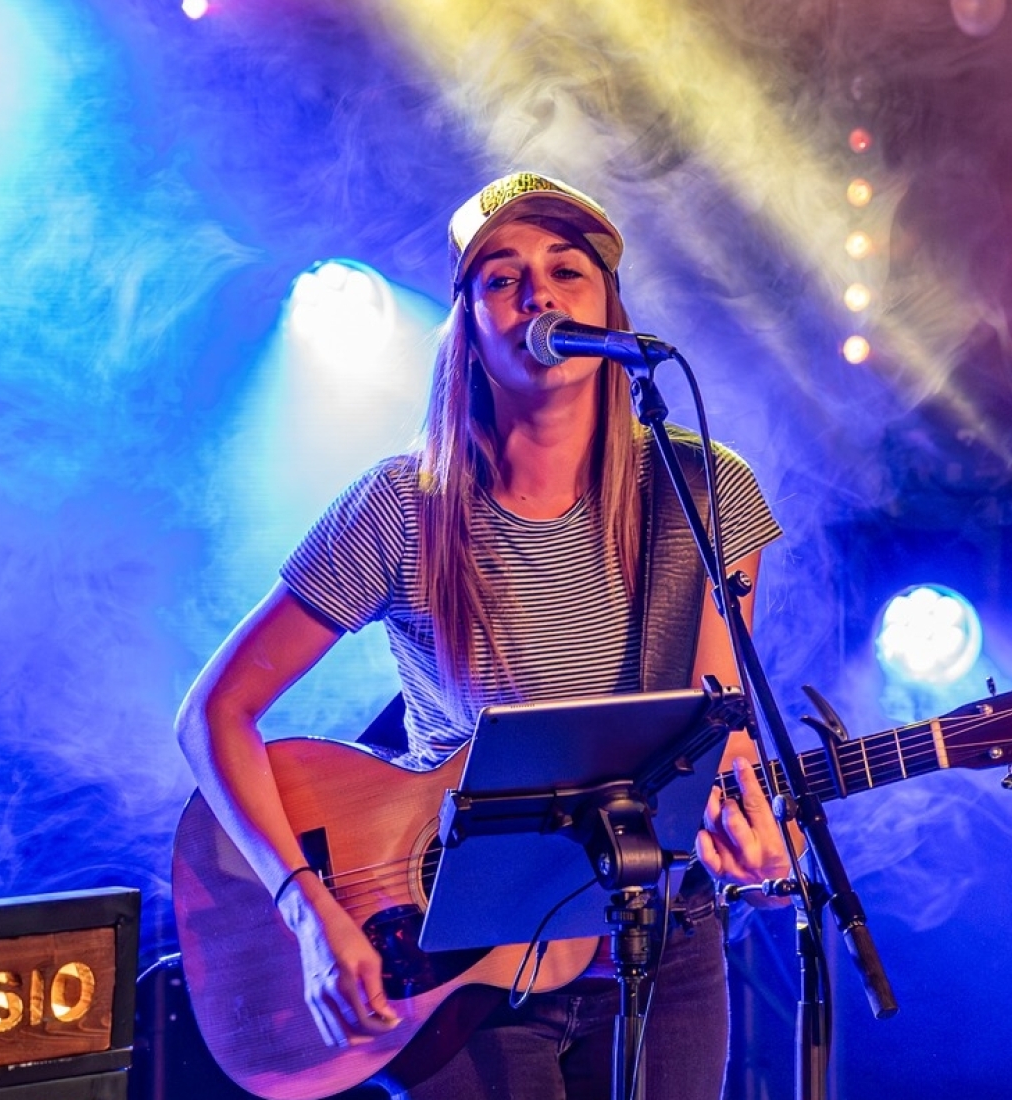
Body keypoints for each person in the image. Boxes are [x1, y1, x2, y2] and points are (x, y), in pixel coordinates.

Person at [175, 171, 795, 1100]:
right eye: (503, 277)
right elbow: (214, 716)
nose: (540, 293)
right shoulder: (403, 509)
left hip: (661, 939)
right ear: (466, 327)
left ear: (611, 311)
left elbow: (722, 742)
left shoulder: (704, 491)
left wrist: (755, 851)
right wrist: (307, 911)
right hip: (459, 962)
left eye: (568, 270)